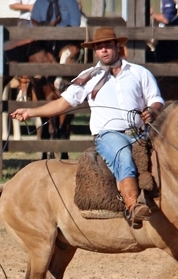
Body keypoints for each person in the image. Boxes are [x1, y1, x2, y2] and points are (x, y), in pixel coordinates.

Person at [11, 27, 165, 228]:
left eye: (108, 46)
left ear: (116, 46)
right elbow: (61, 104)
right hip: (109, 135)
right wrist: (31, 112)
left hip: (140, 132)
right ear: (95, 51)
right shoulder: (88, 77)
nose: (104, 50)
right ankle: (133, 206)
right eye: (99, 47)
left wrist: (152, 111)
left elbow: (156, 100)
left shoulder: (139, 73)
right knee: (123, 156)